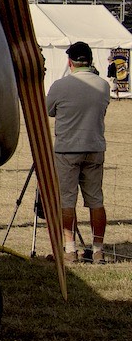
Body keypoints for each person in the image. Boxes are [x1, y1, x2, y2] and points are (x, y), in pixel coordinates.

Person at [46, 41, 109, 263]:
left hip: (67, 149)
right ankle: (98, 249)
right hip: (94, 146)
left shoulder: (60, 85)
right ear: (90, 60)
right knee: (96, 200)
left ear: (70, 62)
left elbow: (49, 110)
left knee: (67, 200)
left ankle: (70, 249)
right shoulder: (103, 85)